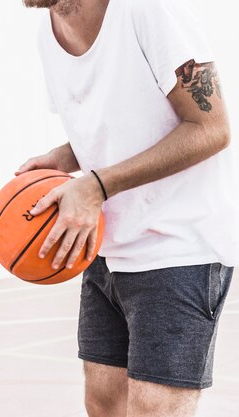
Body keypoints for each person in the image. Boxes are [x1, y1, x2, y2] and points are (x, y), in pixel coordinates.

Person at [15, 0, 238, 416]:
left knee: (153, 411)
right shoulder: (50, 31)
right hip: (108, 248)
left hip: (180, 248)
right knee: (105, 406)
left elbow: (211, 128)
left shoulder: (147, 10)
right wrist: (67, 157)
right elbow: (123, 121)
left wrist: (98, 185)